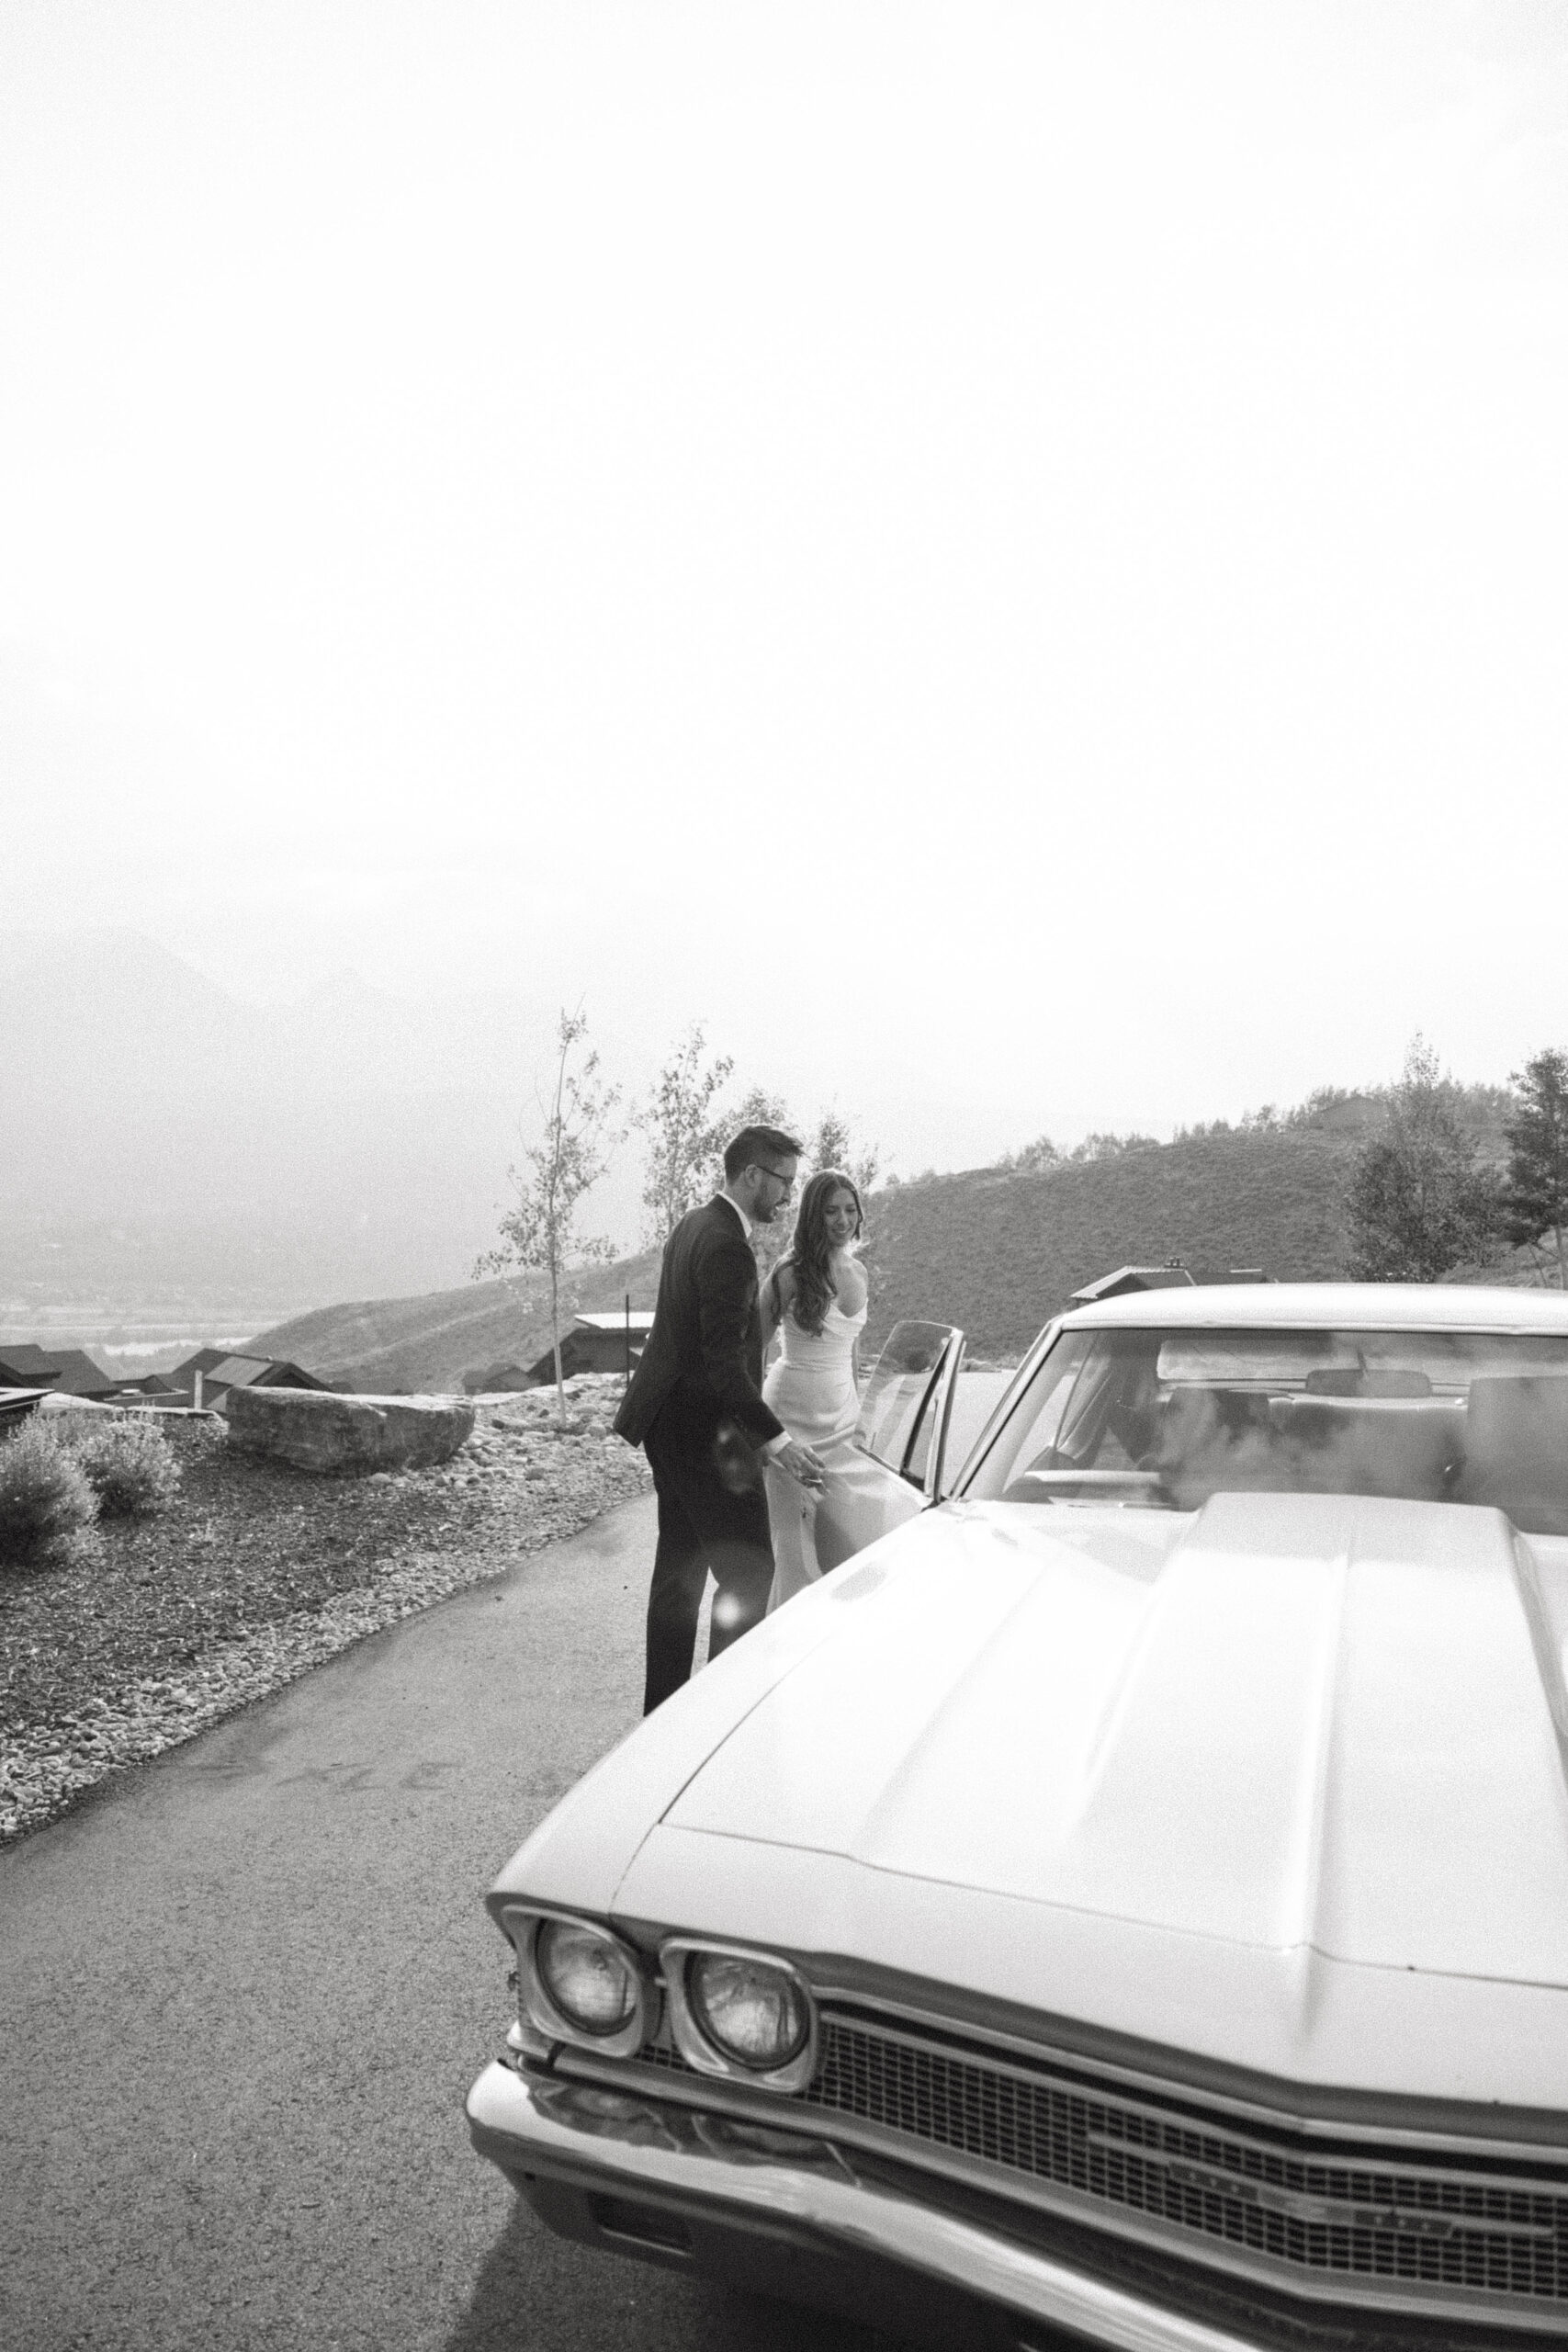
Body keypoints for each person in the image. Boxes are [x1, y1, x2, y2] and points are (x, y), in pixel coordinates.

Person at [614, 1124, 826, 1713]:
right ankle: (720, 1715)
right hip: (704, 1436)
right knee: (751, 1570)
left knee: (679, 1572)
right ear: (752, 1175)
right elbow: (724, 1365)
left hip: (668, 1426)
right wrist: (778, 1443)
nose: (787, 1197)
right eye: (783, 1182)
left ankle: (664, 1712)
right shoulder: (728, 1245)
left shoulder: (691, 1223)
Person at [759, 1168, 881, 1610]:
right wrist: (760, 1434)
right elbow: (751, 1346)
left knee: (842, 1549)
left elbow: (852, 1353)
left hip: (843, 1420)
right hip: (792, 1417)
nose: (842, 1220)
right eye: (831, 1211)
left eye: (850, 1210)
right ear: (814, 1216)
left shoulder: (860, 1272)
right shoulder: (790, 1273)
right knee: (794, 1555)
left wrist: (862, 1420)